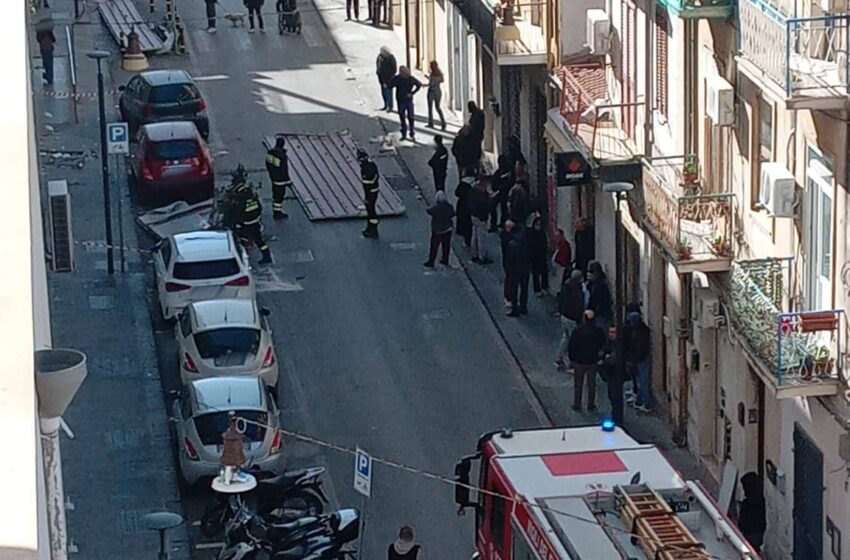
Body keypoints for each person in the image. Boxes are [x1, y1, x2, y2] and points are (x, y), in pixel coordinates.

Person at [567, 310, 605, 412]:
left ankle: (577, 404)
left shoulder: (578, 330)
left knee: (578, 384)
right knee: (591, 384)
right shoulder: (598, 331)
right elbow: (602, 343)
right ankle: (591, 404)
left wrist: (572, 359)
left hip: (579, 361)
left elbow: (572, 345)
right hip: (592, 361)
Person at [623, 310, 653, 412]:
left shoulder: (639, 332)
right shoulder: (642, 330)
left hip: (640, 359)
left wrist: (633, 359)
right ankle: (639, 400)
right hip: (639, 358)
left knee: (642, 381)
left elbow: (639, 348)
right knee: (640, 380)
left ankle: (647, 403)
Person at [555, 269, 585, 370]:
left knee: (566, 337)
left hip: (564, 315)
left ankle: (559, 358)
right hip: (572, 318)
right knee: (574, 341)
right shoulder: (577, 291)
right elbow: (579, 306)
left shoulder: (566, 286)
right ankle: (573, 363)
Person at [237, 186, 273, 264]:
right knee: (259, 241)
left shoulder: (241, 203)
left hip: (246, 225)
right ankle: (267, 256)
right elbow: (259, 209)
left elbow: (239, 214)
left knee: (242, 239)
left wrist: (238, 224)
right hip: (255, 224)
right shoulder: (254, 200)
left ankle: (242, 257)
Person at [599, 324, 625, 427]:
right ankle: (616, 416)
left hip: (616, 374)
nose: (611, 334)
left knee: (616, 396)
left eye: (613, 332)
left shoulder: (619, 345)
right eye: (610, 332)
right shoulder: (608, 343)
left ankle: (618, 418)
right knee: (612, 396)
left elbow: (614, 359)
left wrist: (606, 358)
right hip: (610, 374)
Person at [388, 66, 422, 141]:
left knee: (402, 117)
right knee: (410, 117)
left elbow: (390, 86)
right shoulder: (410, 78)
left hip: (400, 100)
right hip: (408, 99)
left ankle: (404, 133)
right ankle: (411, 132)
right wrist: (412, 93)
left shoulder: (398, 78)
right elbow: (419, 84)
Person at [505, 222, 530, 317]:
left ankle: (515, 309)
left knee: (514, 290)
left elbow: (509, 260)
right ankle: (524, 307)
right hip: (525, 268)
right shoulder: (525, 240)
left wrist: (508, 270)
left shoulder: (512, 244)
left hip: (515, 270)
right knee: (524, 289)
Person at [424, 190, 454, 267]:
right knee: (446, 245)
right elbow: (453, 213)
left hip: (437, 230)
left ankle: (431, 261)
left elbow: (429, 210)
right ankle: (445, 259)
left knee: (434, 246)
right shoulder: (449, 206)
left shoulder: (436, 207)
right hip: (448, 229)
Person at [738, 472, 766, 551]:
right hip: (758, 532)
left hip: (750, 533)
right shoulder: (761, 499)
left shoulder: (747, 503)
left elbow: (742, 522)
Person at [265, 135, 292, 220]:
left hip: (273, 179)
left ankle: (276, 211)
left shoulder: (270, 153)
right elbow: (284, 169)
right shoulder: (282, 156)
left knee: (275, 195)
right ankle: (277, 213)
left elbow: (268, 165)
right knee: (279, 197)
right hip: (280, 181)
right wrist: (288, 180)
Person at [468, 176, 493, 265]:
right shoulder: (480, 194)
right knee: (481, 237)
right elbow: (486, 206)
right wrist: (490, 198)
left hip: (473, 215)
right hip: (480, 217)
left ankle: (474, 253)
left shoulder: (473, 190)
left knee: (474, 235)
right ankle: (481, 256)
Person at [357, 148, 380, 238]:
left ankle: (373, 230)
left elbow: (367, 185)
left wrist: (366, 198)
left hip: (370, 193)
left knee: (371, 211)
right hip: (374, 191)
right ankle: (370, 228)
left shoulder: (365, 169)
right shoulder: (372, 165)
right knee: (371, 210)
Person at [489, 155, 514, 231]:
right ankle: (494, 224)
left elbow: (510, 183)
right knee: (492, 205)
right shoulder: (498, 172)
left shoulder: (509, 173)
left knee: (504, 206)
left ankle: (503, 222)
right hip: (499, 193)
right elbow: (494, 183)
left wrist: (502, 187)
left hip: (506, 193)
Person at [586, 261, 612, 329]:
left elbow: (604, 301)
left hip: (599, 313)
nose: (589, 274)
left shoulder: (600, 285)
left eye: (591, 272)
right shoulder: (593, 284)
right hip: (595, 313)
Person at [528, 216, 549, 296]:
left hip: (542, 256)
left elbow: (545, 244)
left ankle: (544, 287)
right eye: (537, 224)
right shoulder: (531, 234)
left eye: (540, 225)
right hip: (534, 257)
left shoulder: (542, 234)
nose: (538, 226)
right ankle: (537, 289)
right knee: (535, 274)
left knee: (544, 272)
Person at [454, 173, 474, 247]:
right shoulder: (472, 188)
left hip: (462, 206)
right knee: (467, 225)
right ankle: (467, 240)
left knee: (462, 221)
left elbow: (456, 193)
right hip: (468, 208)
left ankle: (463, 236)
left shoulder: (462, 185)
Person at [426, 61, 446, 130]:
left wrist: (424, 84)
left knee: (430, 108)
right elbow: (441, 80)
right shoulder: (440, 74)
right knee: (438, 108)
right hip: (438, 92)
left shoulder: (432, 75)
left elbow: (431, 84)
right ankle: (443, 123)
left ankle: (430, 123)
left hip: (431, 92)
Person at [376, 47, 397, 112]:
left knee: (389, 93)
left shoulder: (391, 58)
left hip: (388, 79)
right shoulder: (379, 57)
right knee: (383, 93)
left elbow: (394, 69)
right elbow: (378, 66)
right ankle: (385, 105)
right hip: (381, 78)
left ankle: (390, 106)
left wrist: (389, 77)